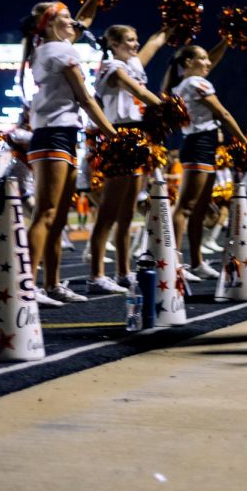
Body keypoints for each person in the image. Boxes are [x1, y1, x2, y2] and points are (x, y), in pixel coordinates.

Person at [19, 2, 117, 305]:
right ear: (49, 25)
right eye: (65, 18)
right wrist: (115, 136)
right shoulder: (60, 51)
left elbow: (83, 20)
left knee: (59, 216)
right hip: (53, 135)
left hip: (61, 134)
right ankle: (28, 286)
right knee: (47, 212)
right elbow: (85, 98)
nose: (73, 22)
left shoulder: (47, 47)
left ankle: (52, 284)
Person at [87, 23, 169, 294]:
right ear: (113, 44)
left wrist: (168, 28)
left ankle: (123, 271)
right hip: (120, 136)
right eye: (129, 41)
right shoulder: (113, 69)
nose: (135, 45)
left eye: (136, 40)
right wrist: (170, 110)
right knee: (108, 212)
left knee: (126, 215)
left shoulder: (132, 65)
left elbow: (154, 43)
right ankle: (96, 275)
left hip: (137, 137)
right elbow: (141, 93)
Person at [165, 44, 246, 279]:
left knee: (199, 209)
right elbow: (223, 113)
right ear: (188, 62)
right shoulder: (194, 83)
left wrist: (224, 42)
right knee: (186, 206)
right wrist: (244, 142)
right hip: (199, 144)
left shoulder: (182, 83)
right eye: (202, 58)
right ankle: (176, 264)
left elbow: (212, 59)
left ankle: (197, 262)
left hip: (202, 144)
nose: (208, 62)